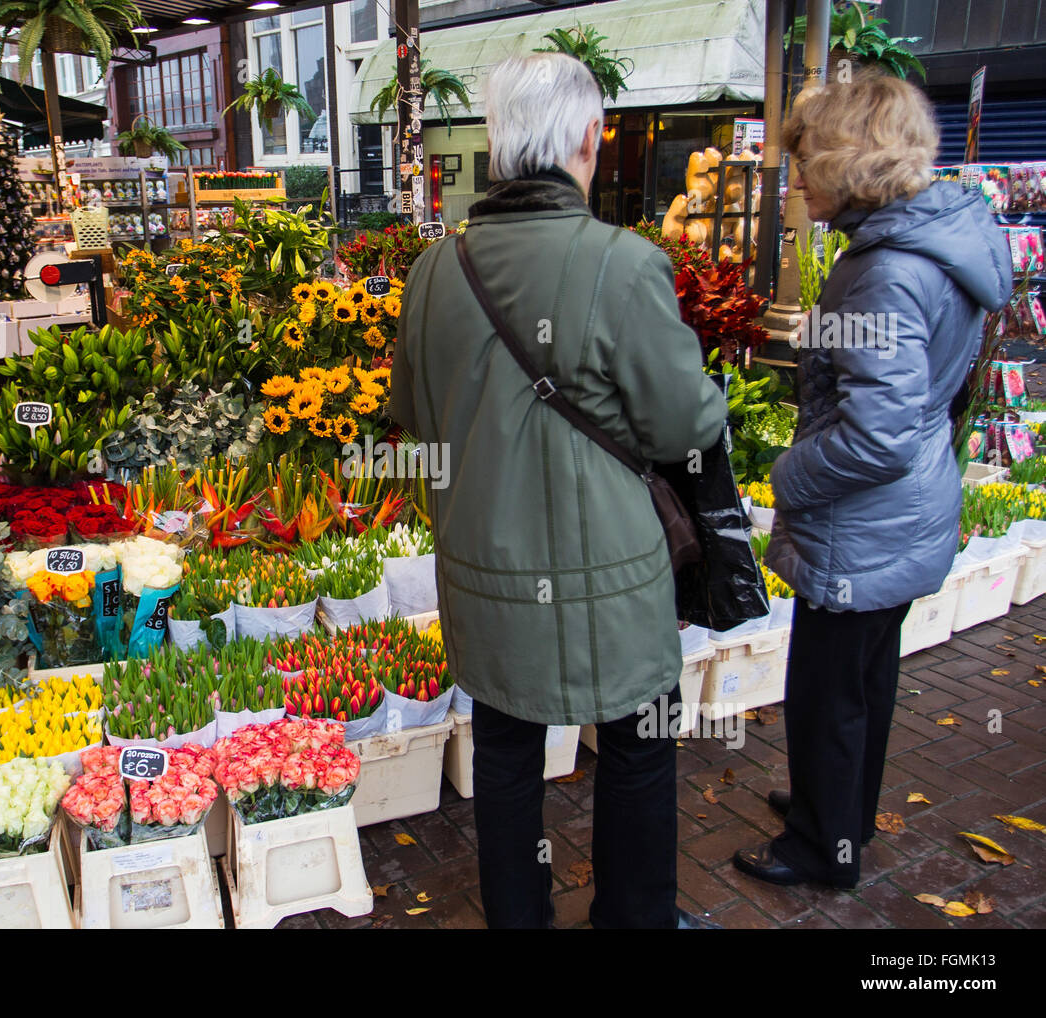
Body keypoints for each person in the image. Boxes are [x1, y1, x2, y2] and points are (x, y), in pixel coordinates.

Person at [387, 52, 728, 929]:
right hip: (610, 576)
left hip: (483, 571)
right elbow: (684, 426)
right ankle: (633, 918)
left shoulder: (434, 274)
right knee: (640, 751)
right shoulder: (624, 264)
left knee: (503, 759)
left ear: (498, 145)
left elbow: (418, 426)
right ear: (589, 138)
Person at [733, 68, 1012, 889]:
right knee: (864, 680)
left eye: (805, 163)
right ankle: (839, 812)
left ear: (848, 163)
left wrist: (789, 476)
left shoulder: (886, 269)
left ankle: (824, 849)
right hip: (902, 512)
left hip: (862, 522)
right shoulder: (935, 241)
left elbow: (875, 438)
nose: (794, 182)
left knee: (828, 691)